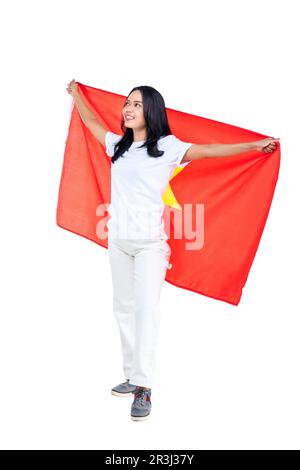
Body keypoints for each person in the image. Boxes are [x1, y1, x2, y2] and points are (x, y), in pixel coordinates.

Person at [66, 79, 279, 421]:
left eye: (136, 104)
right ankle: (131, 376)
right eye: (126, 104)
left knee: (146, 309)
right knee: (123, 307)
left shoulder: (168, 147)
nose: (128, 109)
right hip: (118, 242)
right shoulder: (118, 145)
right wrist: (77, 94)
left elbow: (209, 151)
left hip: (151, 245)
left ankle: (145, 388)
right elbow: (92, 123)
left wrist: (254, 146)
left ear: (150, 110)